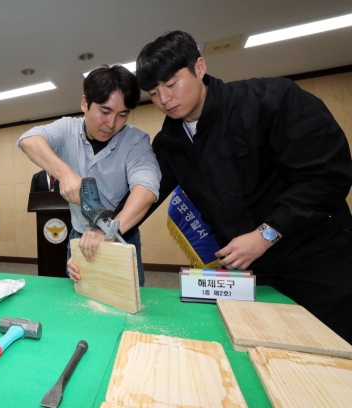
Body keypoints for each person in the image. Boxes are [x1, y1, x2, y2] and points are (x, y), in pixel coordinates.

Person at [125, 30, 352, 342]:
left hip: (317, 260)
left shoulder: (271, 100)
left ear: (199, 68)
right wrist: (103, 232)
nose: (164, 99)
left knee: (332, 353)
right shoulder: (170, 143)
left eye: (171, 84)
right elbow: (145, 195)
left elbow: (328, 174)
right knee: (264, 349)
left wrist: (266, 233)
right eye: (153, 92)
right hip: (252, 274)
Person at [18, 65, 161, 285]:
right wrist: (64, 173)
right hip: (79, 237)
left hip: (122, 235)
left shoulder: (135, 141)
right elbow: (29, 140)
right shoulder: (67, 129)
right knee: (80, 305)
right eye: (104, 112)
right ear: (85, 103)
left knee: (127, 310)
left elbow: (147, 188)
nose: (112, 124)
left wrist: (109, 231)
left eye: (122, 115)